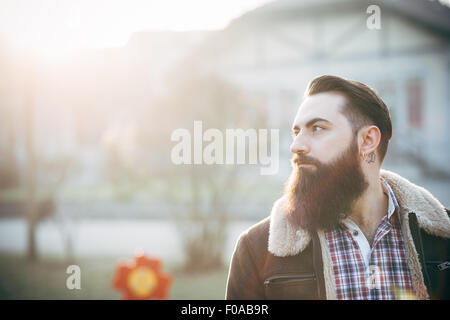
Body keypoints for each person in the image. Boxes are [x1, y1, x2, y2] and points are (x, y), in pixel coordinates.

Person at [225, 75, 450, 300]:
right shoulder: (255, 251)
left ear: (368, 140)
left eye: (317, 128)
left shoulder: (444, 238)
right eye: (297, 132)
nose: (296, 146)